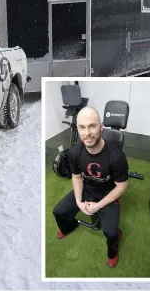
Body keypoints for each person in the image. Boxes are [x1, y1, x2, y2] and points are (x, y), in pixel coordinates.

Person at [52, 106, 129, 268]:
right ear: (78, 129)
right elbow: (76, 177)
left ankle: (113, 251)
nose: (87, 133)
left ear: (101, 127)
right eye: (82, 127)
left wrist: (98, 206)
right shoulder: (74, 153)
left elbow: (121, 187)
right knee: (58, 211)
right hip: (87, 190)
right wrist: (79, 202)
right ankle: (69, 227)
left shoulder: (117, 157)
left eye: (92, 126)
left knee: (111, 233)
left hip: (107, 195)